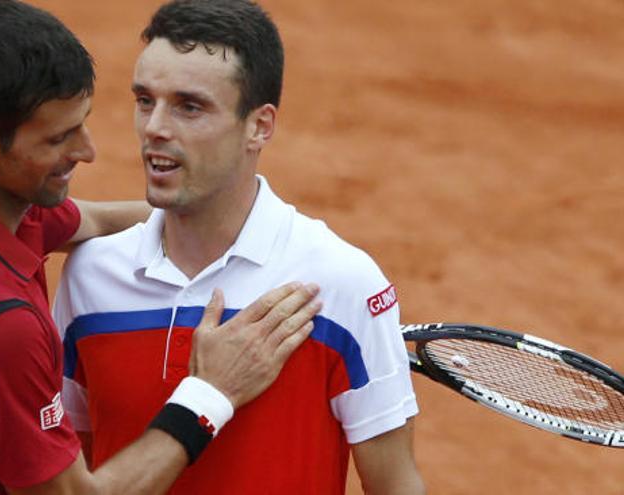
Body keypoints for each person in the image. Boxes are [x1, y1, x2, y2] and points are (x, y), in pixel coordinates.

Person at [0, 1, 323, 493]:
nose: (87, 150)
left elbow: (92, 219)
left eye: (82, 122)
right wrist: (210, 393)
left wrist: (246, 234)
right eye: (59, 138)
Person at [53, 1, 425, 493]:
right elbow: (71, 472)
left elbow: (396, 485)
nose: (155, 128)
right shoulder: (91, 277)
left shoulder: (340, 283)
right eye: (145, 100)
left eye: (189, 106)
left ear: (259, 126)